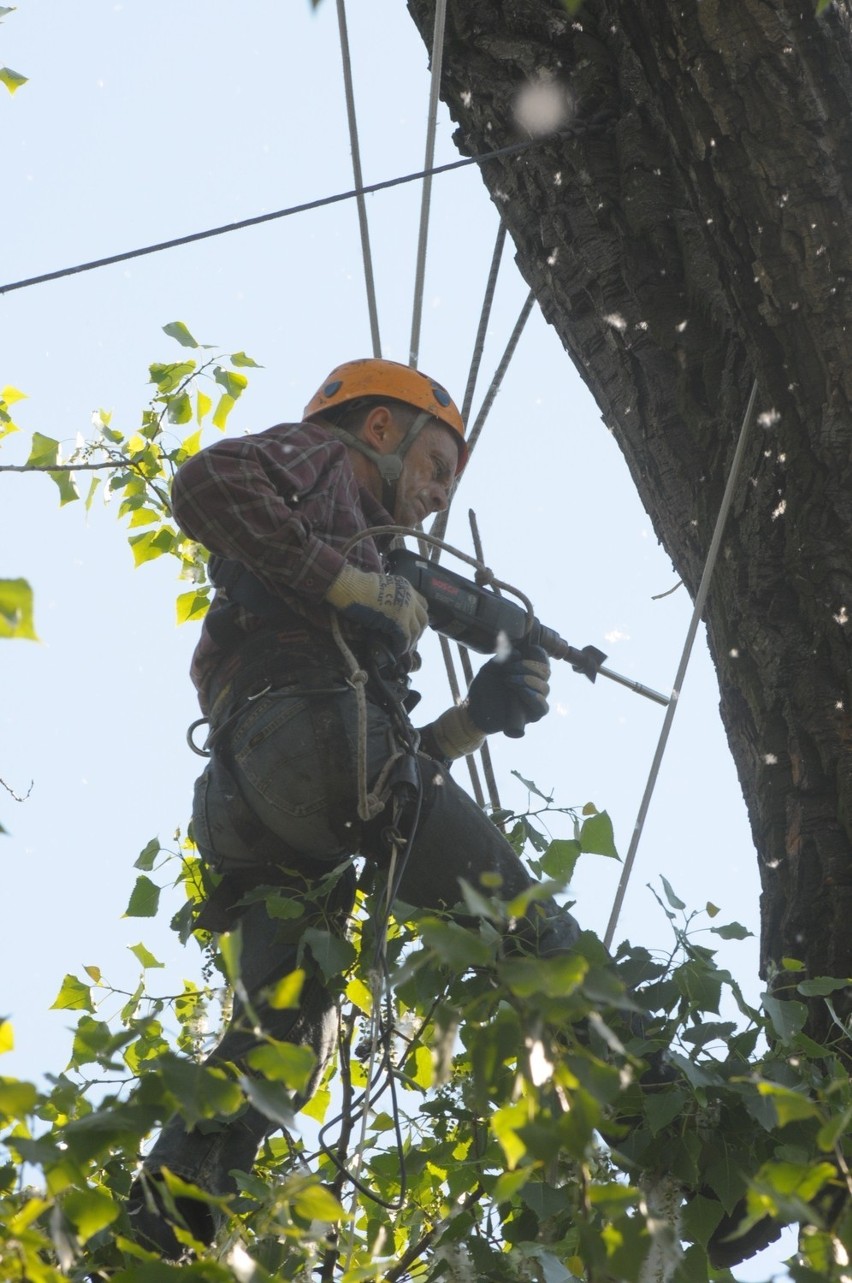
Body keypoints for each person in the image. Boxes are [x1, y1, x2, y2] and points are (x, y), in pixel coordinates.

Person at [128, 358, 582, 1257]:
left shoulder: (355, 548)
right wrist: (351, 583)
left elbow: (386, 780)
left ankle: (155, 1228)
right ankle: (688, 1144)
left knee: (286, 1037)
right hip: (316, 740)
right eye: (437, 468)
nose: (435, 496)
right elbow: (205, 481)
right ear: (382, 428)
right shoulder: (325, 460)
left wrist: (472, 719)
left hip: (264, 798)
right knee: (538, 934)